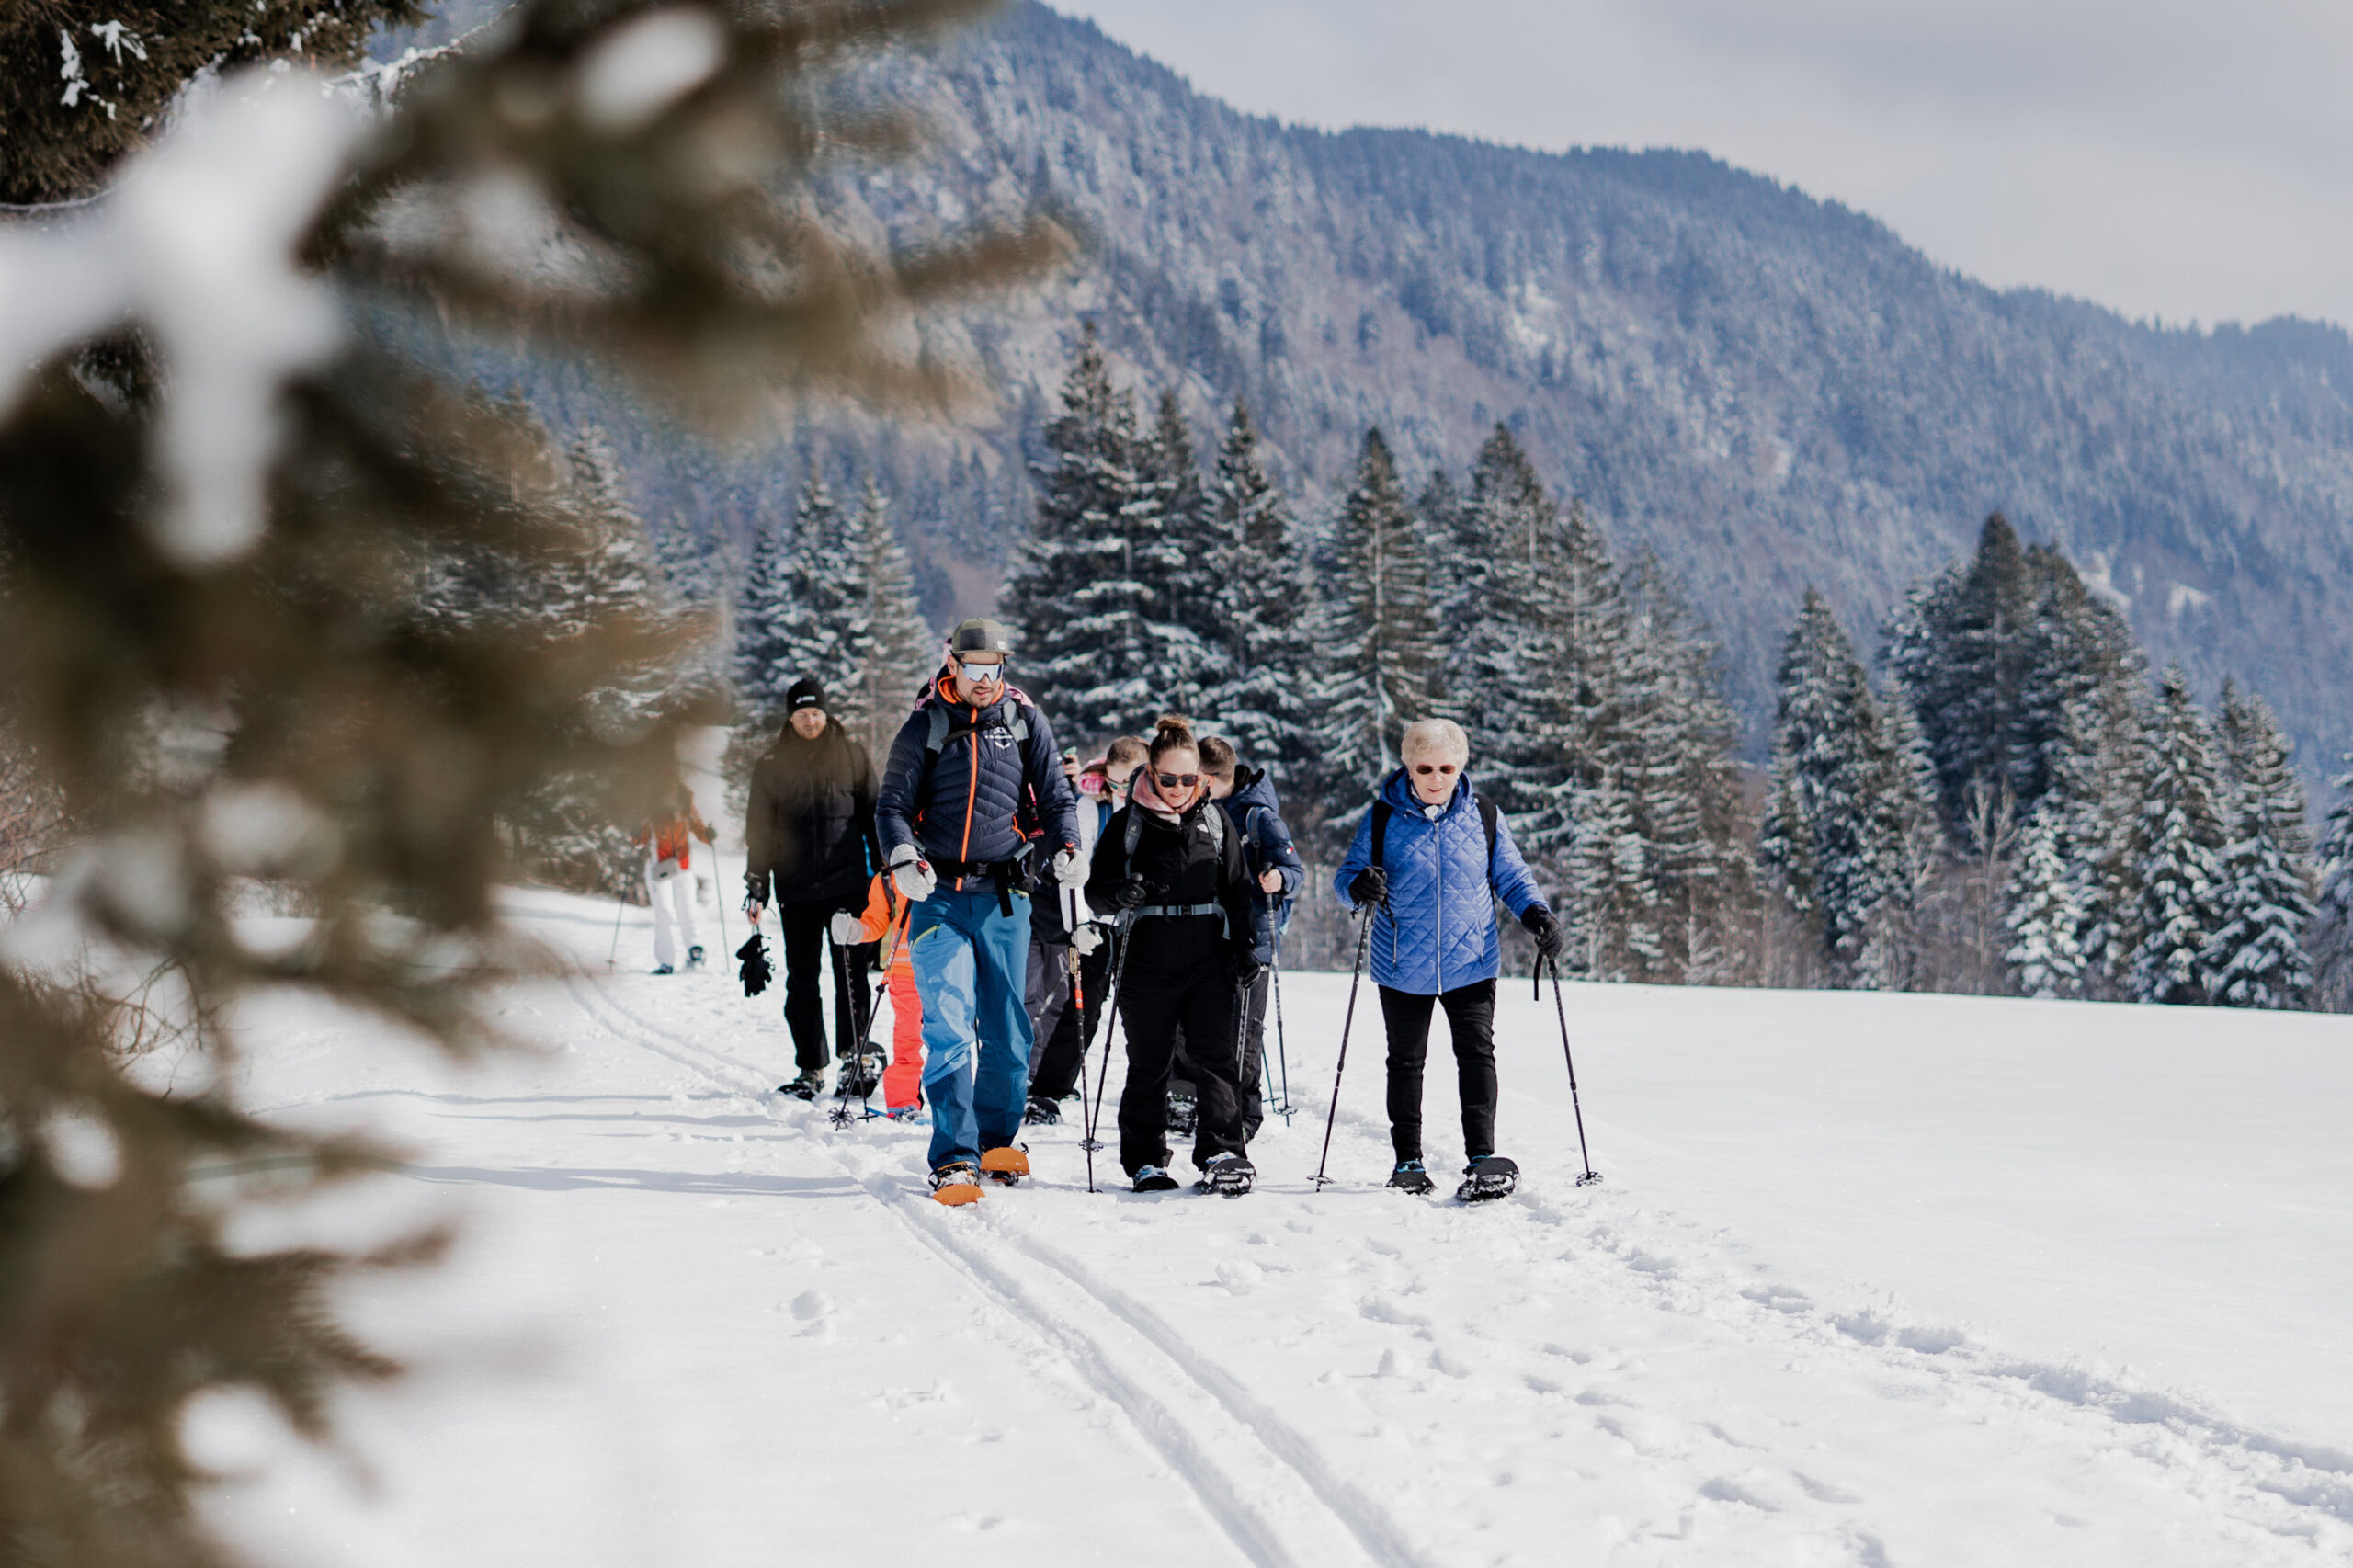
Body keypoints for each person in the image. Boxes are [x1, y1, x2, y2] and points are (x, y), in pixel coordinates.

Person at [874, 619, 1083, 1203]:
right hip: (937, 892)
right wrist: (902, 857)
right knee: (946, 1023)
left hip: (1006, 897)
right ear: (953, 663)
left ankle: (996, 1140)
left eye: (995, 668)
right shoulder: (926, 725)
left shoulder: (1023, 721)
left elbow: (1057, 795)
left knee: (1008, 1029)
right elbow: (891, 805)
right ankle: (954, 1157)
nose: (986, 680)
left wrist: (1068, 846)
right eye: (975, 669)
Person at [1332, 717, 1562, 1201]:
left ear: (1460, 768)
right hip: (1401, 961)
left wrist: (1537, 914)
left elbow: (1512, 878)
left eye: (1446, 768)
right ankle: (1407, 1161)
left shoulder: (1483, 816)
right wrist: (1358, 886)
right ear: (1408, 767)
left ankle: (1482, 1157)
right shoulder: (1381, 817)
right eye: (1425, 767)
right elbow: (1346, 876)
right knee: (1406, 1062)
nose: (1436, 778)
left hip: (1471, 959)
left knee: (1477, 1054)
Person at [1085, 716, 1260, 1196]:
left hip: (1209, 959)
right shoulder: (1128, 823)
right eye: (1169, 779)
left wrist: (1248, 948)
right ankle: (1146, 1160)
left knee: (1215, 1058)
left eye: (1189, 779)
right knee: (1150, 1061)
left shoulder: (1214, 820)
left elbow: (1239, 890)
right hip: (1147, 961)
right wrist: (1118, 893)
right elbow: (1095, 894)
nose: (1180, 788)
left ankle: (1222, 1151)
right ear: (1151, 773)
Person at [743, 677, 880, 1101]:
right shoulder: (770, 765)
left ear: (826, 713)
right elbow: (759, 831)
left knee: (851, 974)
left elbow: (874, 817)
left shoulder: (853, 756)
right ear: (790, 716)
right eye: (802, 714)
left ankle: (854, 1057)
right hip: (795, 888)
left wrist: (886, 876)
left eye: (816, 713)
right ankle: (810, 1069)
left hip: (847, 886)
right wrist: (756, 884)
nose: (810, 720)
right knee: (802, 979)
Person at [1024, 735, 1147, 1121]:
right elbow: (1073, 873)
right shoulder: (1091, 808)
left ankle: (1173, 1092)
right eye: (1114, 782)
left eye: (1130, 782)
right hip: (1098, 922)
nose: (1121, 791)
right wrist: (1078, 924)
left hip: (1145, 926)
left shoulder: (1161, 808)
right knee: (1083, 1008)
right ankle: (1049, 1090)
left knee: (1152, 1013)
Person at [1199, 736, 1302, 1137]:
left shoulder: (1261, 817)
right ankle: (1204, 1101)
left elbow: (1296, 871)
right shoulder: (1201, 809)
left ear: (1210, 778)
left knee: (1245, 1030)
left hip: (1253, 939)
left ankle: (1245, 1114)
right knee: (1206, 1026)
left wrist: (1280, 878)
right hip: (1209, 934)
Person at [830, 872, 924, 1119]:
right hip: (905, 971)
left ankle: (953, 1105)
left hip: (950, 969)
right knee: (908, 1041)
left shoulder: (954, 864)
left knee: (950, 1042)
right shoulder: (889, 878)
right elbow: (875, 921)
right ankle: (903, 1103)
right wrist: (855, 930)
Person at [636, 787, 717, 975]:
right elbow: (640, 840)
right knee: (664, 912)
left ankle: (695, 950)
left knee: (688, 910)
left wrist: (709, 835)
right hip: (659, 867)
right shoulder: (650, 802)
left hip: (683, 865)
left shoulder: (685, 800)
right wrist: (635, 833)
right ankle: (666, 961)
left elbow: (700, 831)